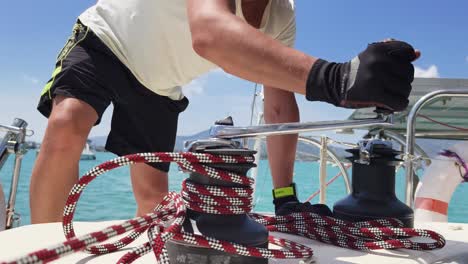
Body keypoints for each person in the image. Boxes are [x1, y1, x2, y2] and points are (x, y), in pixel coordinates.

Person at [30, 0, 419, 223]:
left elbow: (280, 103)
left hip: (161, 82)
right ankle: (42, 249)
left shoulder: (280, 17)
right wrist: (337, 80)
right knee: (68, 124)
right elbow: (210, 34)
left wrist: (284, 196)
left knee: (152, 198)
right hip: (107, 38)